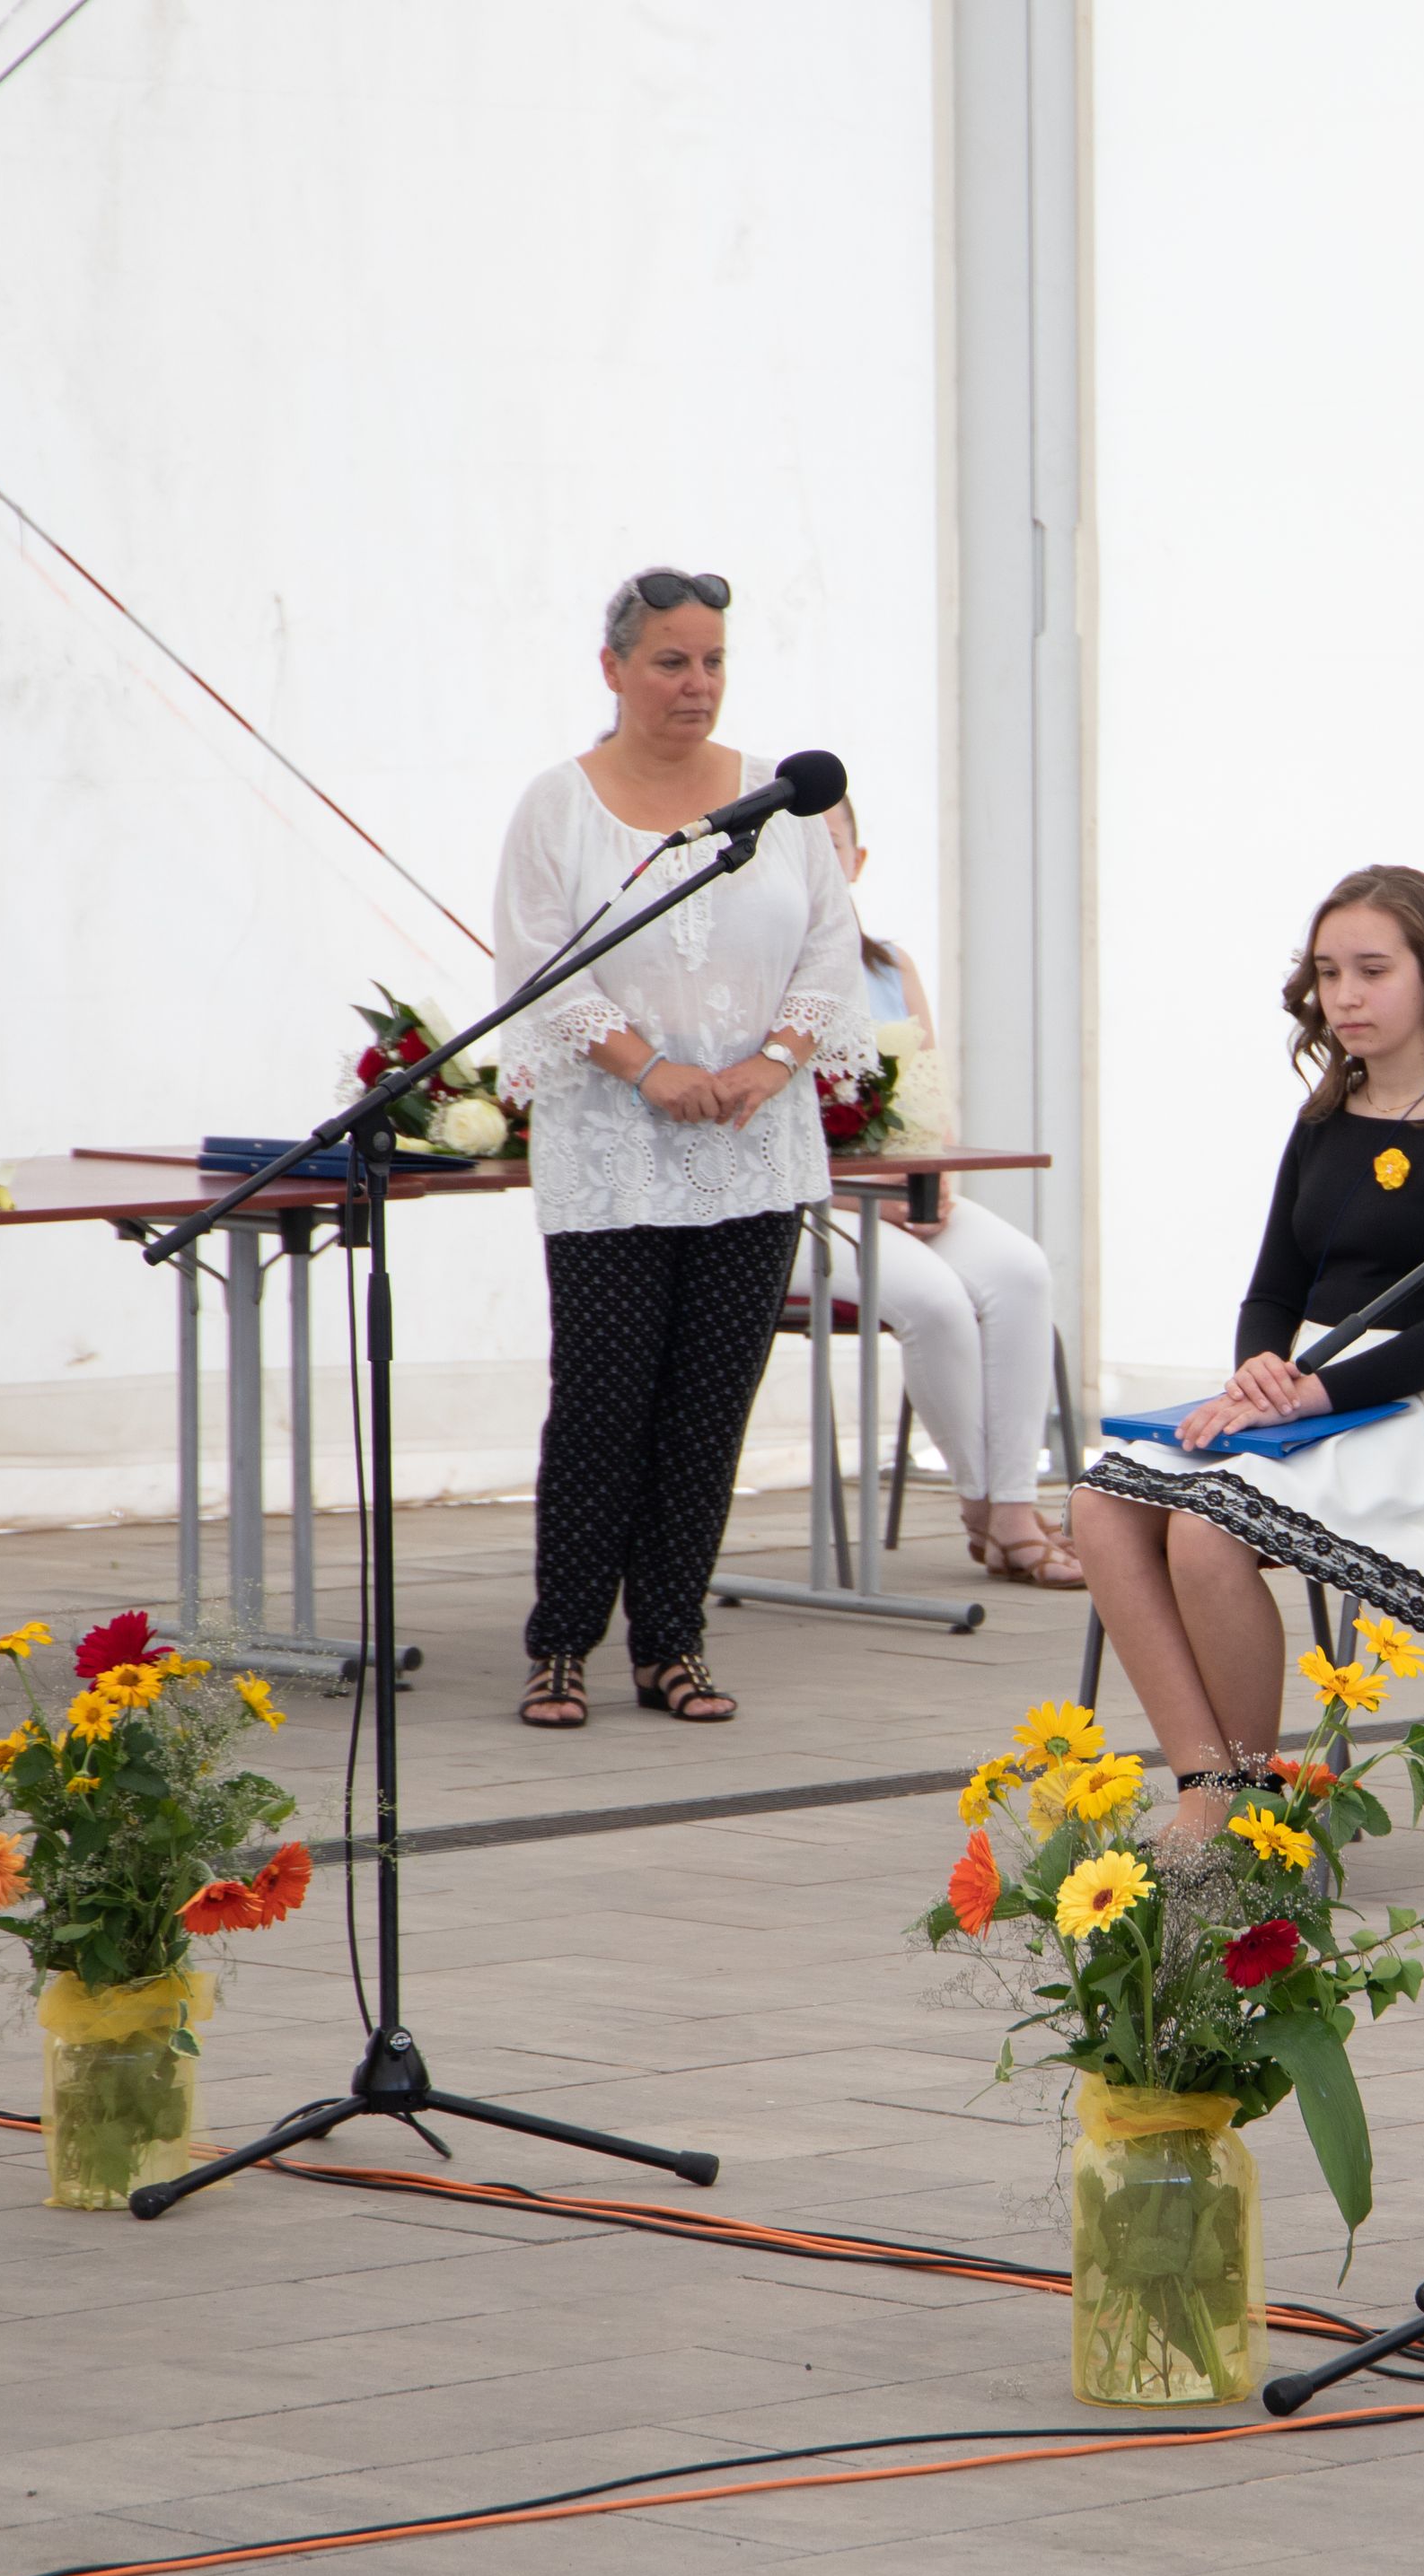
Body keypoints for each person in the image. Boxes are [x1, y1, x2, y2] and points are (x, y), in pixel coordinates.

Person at [1071, 867, 1424, 1846]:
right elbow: (1273, 1291)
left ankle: (1256, 1806)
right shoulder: (1327, 1115)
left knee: (1204, 1531)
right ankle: (1209, 1786)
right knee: (1100, 1506)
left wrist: (1308, 1393)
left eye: (1372, 970)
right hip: (1314, 1390)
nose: (1345, 996)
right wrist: (1259, 1369)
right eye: (1328, 974)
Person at [492, 567, 872, 1730]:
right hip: (613, 1151)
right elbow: (538, 964)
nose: (695, 684)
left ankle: (672, 1643)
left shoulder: (780, 801)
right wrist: (648, 1068)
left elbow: (831, 946)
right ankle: (562, 1644)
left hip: (752, 1146)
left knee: (710, 1408)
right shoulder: (559, 806)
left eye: (712, 661)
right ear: (613, 668)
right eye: (671, 661)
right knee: (602, 1404)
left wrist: (774, 1061)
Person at [798, 799, 1084, 1588]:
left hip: (904, 1189)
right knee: (934, 1300)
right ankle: (992, 1514)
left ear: (858, 861)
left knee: (1020, 1270)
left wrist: (936, 1183)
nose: (820, 862)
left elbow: (928, 1098)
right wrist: (866, 1193)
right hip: (807, 1210)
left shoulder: (890, 966)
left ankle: (1015, 1501)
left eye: (833, 846)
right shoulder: (758, 975)